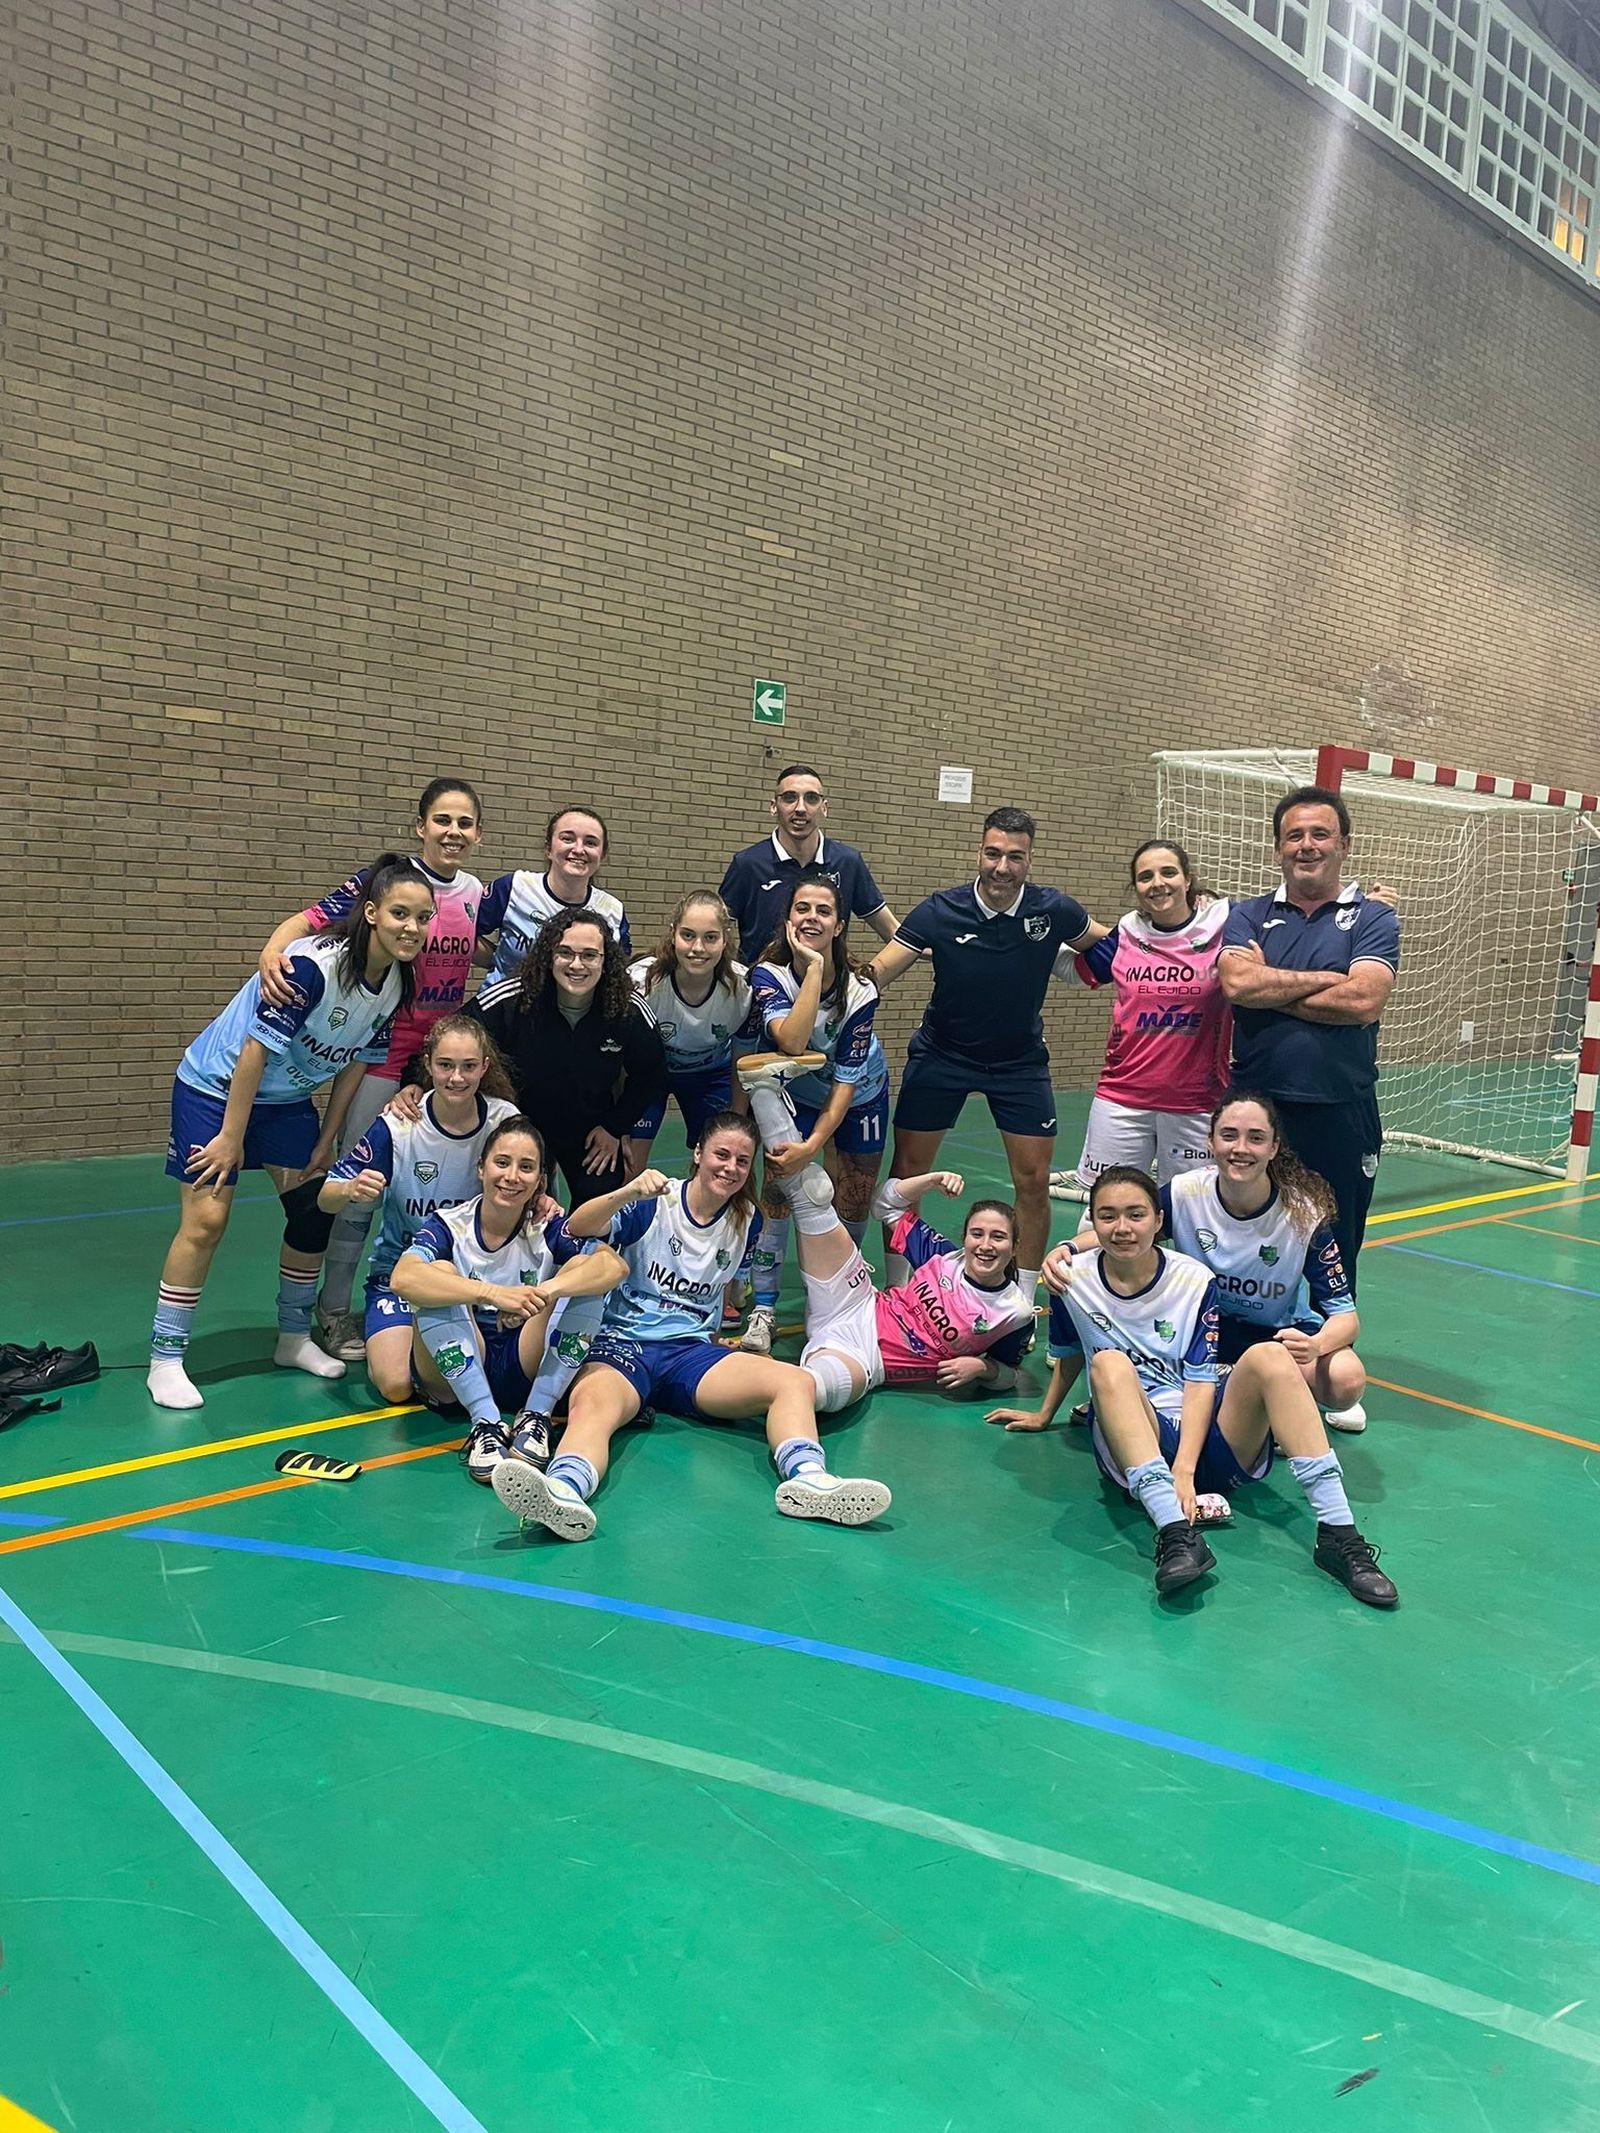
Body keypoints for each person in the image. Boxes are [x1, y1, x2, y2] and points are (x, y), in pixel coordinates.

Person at [489, 1111, 893, 1541]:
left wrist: (721, 1339)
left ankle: (809, 1479)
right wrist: (627, 1191)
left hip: (689, 1354)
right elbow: (577, 1226)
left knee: (795, 1381)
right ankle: (563, 1491)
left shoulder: (748, 1220)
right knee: (592, 1407)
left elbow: (720, 1292)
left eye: (742, 1160)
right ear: (698, 1153)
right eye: (721, 1154)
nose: (730, 1168)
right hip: (624, 1346)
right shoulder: (655, 1201)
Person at [1009, 1168, 1395, 1605]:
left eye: (1136, 1214)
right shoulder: (1069, 1279)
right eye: (1108, 1216)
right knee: (1110, 1364)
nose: (1122, 1228)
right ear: (1092, 1224)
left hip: (1205, 1436)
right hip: (1139, 1436)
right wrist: (1044, 1414)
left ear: (1159, 1219)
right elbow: (1070, 1355)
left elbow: (1199, 1381)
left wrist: (1185, 1471)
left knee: (1271, 1356)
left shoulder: (1193, 1279)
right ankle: (1176, 1534)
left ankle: (1339, 1535)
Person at [147, 855, 434, 1410]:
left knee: (313, 1209)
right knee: (207, 1221)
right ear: (371, 913)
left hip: (285, 1102)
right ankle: (166, 1357)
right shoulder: (313, 967)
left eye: (422, 918)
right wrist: (231, 1136)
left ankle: (293, 1337)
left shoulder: (398, 981)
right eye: (400, 913)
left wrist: (327, 1138)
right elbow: (254, 1050)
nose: (411, 928)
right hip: (215, 1089)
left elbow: (358, 1063)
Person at [256, 778, 495, 1361]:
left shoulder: (474, 892)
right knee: (361, 1182)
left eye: (465, 823)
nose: (453, 832)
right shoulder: (387, 880)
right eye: (442, 820)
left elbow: (481, 949)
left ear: (478, 834)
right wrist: (271, 950)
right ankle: (334, 1309)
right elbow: (310, 918)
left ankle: (435, 1289)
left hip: (439, 1054)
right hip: (382, 1049)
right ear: (421, 826)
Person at [867, 806, 1107, 1300]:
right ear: (979, 852)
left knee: (1033, 1180)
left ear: (1029, 860)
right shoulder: (940, 910)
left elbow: (1113, 946)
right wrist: (819, 985)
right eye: (993, 854)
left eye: (1015, 857)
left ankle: (1019, 1299)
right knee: (908, 1173)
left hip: (1019, 1063)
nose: (1002, 867)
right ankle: (899, 1289)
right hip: (942, 1056)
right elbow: (879, 971)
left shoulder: (1054, 910)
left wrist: (1176, 942)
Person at [738, 1053, 1035, 1407]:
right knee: (810, 1194)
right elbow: (885, 1203)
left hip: (865, 1354)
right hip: (856, 1299)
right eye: (977, 1234)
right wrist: (930, 1180)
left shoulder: (1014, 1312)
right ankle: (762, 1088)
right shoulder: (943, 1257)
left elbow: (1011, 1375)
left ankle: (726, 1382)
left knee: (816, 1390)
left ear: (1015, 1246)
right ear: (965, 1238)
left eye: (998, 1237)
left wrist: (983, 1368)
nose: (985, 1245)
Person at [1218, 785, 1400, 1287]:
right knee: (1244, 1242)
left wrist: (1269, 984)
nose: (1306, 845)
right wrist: (1329, 977)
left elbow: (1364, 1000)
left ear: (1344, 844)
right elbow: (1237, 984)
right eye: (1294, 835)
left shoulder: (1373, 916)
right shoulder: (1248, 914)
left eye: (1320, 834)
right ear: (1279, 847)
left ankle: (1326, 1335)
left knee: (1333, 1250)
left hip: (1339, 1112)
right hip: (1255, 1111)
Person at [389, 1117, 628, 1481]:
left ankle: (536, 1415)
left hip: (522, 1361)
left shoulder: (547, 1227)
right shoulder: (449, 1224)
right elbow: (403, 1278)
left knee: (584, 1274)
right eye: (502, 1162)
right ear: (481, 1168)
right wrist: (493, 1294)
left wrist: (543, 1292)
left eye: (526, 1167)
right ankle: (484, 1424)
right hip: (456, 1363)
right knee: (438, 1274)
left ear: (540, 1181)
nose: (512, 1176)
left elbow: (614, 1267)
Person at [315, 1015, 522, 1406]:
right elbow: (325, 1197)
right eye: (445, 1065)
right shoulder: (398, 1125)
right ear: (427, 1065)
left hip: (478, 1274)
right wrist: (349, 1189)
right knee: (395, 1386)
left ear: (484, 1067)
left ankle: (441, 1350)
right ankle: (419, 1339)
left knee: (488, 1372)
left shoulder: (503, 1120)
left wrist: (541, 1199)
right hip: (401, 1275)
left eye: (468, 1066)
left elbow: (530, 1182)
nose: (457, 1077)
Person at [739, 872, 890, 1356]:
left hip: (860, 1093)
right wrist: (812, 970)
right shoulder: (769, 975)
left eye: (824, 911)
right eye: (802, 908)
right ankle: (764, 1306)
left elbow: (845, 1082)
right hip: (800, 1093)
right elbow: (792, 1040)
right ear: (788, 920)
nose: (812, 918)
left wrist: (814, 1145)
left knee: (854, 1194)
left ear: (839, 925)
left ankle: (839, 1296)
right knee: (779, 1190)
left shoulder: (861, 990)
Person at [1163, 1091, 1372, 1433]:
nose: (1240, 1148)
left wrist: (1315, 1346)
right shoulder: (1184, 1193)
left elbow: (1347, 1320)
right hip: (1201, 1328)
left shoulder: (1303, 1215)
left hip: (1276, 1337)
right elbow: (1122, 1233)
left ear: (1274, 1148)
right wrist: (1071, 1247)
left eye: (1256, 1138)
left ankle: (1262, 1398)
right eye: (1229, 1135)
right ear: (1210, 1141)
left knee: (1346, 1379)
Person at [1049, 840, 1231, 1199]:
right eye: (1145, 877)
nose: (1157, 883)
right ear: (1135, 887)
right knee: (1107, 1207)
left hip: (1197, 1102)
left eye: (1168, 872)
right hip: (1122, 1099)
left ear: (1188, 879)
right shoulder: (1128, 934)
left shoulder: (1222, 925)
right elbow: (1076, 970)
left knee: (1194, 1210)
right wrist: (1023, 944)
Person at [471, 907, 667, 1209]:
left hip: (591, 1128)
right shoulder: (513, 999)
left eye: (589, 955)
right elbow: (454, 1035)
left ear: (605, 961)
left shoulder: (626, 1008)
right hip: (522, 1122)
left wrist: (615, 1127)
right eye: (565, 953)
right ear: (549, 956)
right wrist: (414, 1083)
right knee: (520, 1203)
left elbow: (652, 1074)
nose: (577, 965)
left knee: (601, 1200)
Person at [719, 762, 898, 964]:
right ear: (773, 806)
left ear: (824, 808)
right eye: (790, 797)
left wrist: (871, 977)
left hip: (827, 983)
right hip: (760, 982)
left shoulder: (848, 862)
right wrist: (735, 976)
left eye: (811, 798)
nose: (800, 808)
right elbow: (716, 930)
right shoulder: (747, 864)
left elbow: (893, 932)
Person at [623, 892, 754, 1167]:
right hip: (650, 1073)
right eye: (688, 935)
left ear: (725, 940)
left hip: (711, 1075)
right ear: (673, 935)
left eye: (710, 937)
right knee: (628, 1163)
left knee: (721, 1157)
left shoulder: (742, 989)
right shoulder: (642, 983)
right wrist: (617, 1123)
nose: (698, 948)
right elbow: (620, 1055)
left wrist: (737, 1118)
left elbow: (741, 1059)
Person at [478, 806, 630, 987]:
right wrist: (499, 961)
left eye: (590, 843)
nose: (578, 849)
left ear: (602, 855)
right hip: (504, 1002)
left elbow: (616, 971)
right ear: (548, 848)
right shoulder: (515, 887)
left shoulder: (612, 910)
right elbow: (464, 937)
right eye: (567, 839)